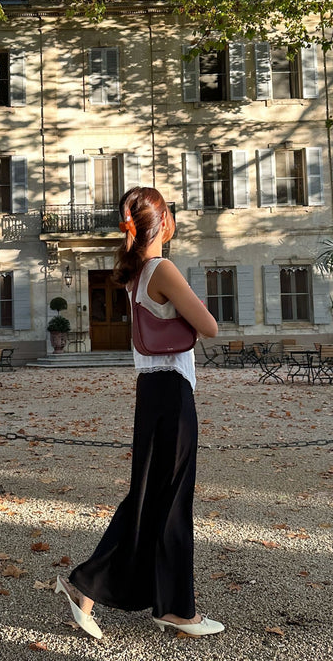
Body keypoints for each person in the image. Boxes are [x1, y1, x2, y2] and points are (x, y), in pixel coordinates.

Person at [55, 186, 224, 639]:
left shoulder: (134, 273)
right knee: (172, 501)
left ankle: (89, 589)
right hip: (172, 390)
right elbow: (209, 326)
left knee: (149, 496)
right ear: (163, 221)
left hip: (150, 390)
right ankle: (175, 610)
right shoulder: (161, 269)